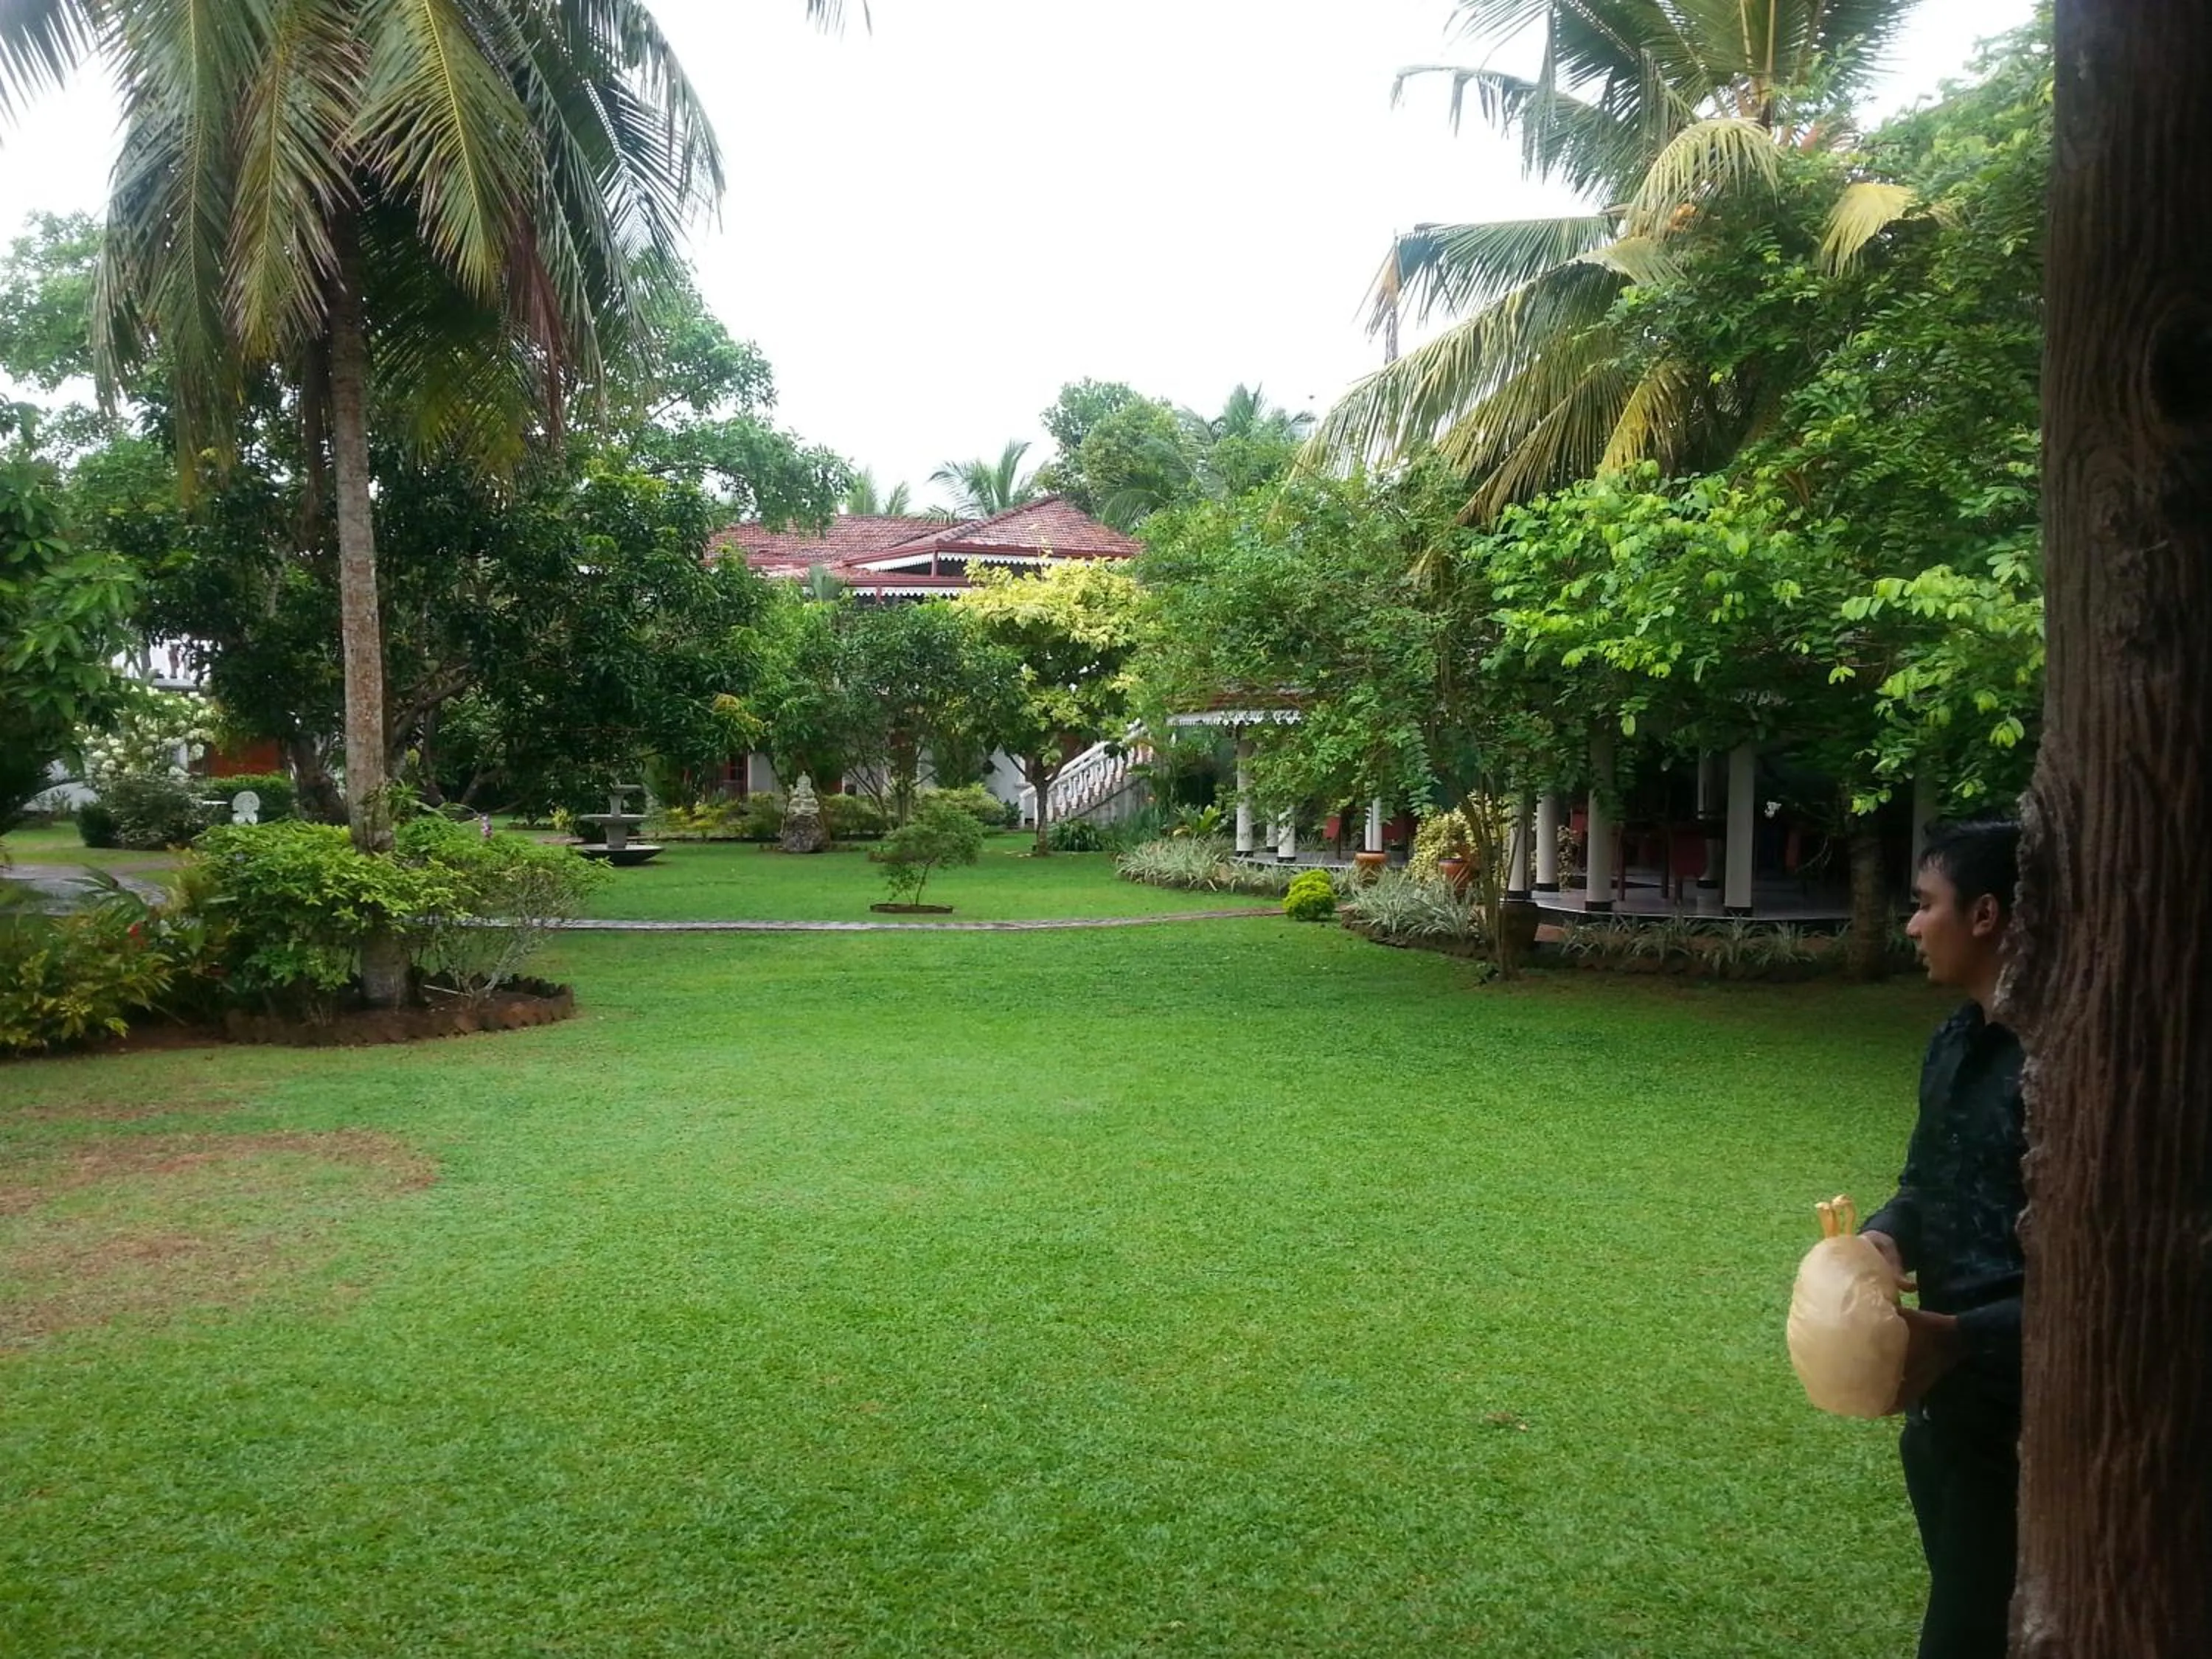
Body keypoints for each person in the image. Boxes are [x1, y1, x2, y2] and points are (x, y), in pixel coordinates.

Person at [1862, 819, 2026, 1659]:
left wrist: (1963, 1337)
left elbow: (2127, 1274)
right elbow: (1924, 1185)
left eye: (1926, 905)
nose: (1913, 924)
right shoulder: (1956, 1040)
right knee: (1966, 1605)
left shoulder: (2065, 1060)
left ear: (1987, 914)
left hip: (2035, 1411)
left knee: (1971, 1630)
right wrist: (1882, 1244)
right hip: (1950, 1404)